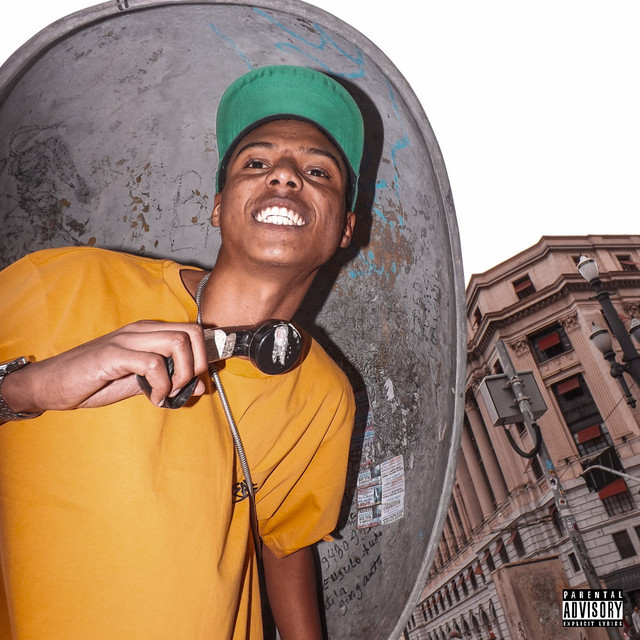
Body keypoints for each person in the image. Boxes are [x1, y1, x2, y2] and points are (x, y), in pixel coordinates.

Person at [0, 65, 364, 639]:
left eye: (318, 171)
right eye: (256, 163)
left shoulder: (324, 393)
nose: (285, 175)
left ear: (345, 228)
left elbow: (285, 542)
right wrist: (25, 388)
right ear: (218, 206)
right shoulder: (62, 280)